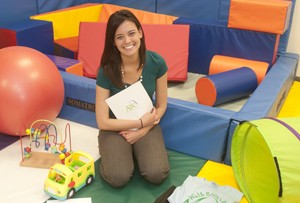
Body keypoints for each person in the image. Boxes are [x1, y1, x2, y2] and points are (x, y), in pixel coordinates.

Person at [95, 9, 170, 188]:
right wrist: (137, 123)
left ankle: (137, 153)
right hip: (115, 127)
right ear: (113, 42)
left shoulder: (156, 62)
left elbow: (161, 105)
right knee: (117, 177)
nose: (127, 41)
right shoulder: (106, 71)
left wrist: (143, 128)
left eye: (131, 33)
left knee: (157, 173)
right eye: (119, 37)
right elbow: (103, 121)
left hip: (147, 122)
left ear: (140, 33)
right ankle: (119, 154)